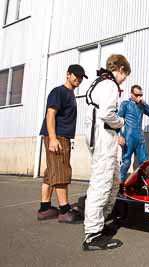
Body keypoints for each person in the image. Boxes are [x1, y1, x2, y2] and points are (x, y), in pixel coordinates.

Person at [82, 54, 131, 251]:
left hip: (100, 136)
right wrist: (121, 123)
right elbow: (107, 114)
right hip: (103, 138)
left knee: (112, 181)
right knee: (101, 185)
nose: (124, 79)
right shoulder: (109, 85)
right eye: (124, 75)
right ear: (119, 69)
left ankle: (100, 225)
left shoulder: (99, 82)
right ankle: (92, 235)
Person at [37, 64, 88, 223]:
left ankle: (45, 209)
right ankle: (65, 211)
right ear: (68, 74)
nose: (78, 79)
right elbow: (50, 114)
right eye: (76, 76)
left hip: (61, 136)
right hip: (57, 137)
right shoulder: (59, 91)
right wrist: (53, 138)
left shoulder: (70, 94)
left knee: (51, 173)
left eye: (81, 77)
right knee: (61, 172)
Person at [119, 85, 149, 183]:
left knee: (145, 162)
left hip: (139, 137)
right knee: (126, 162)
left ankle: (147, 184)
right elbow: (118, 120)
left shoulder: (141, 105)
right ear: (131, 94)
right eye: (136, 95)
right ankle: (119, 185)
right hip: (128, 137)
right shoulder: (125, 104)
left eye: (140, 95)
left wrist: (145, 104)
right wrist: (120, 136)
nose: (139, 97)